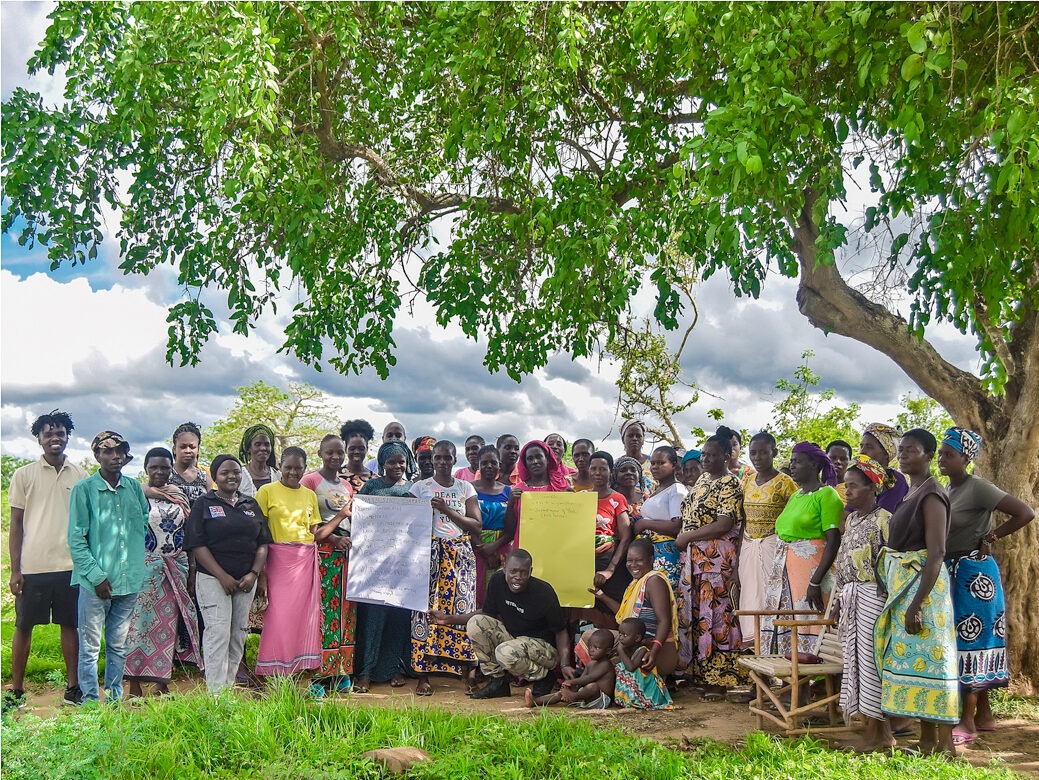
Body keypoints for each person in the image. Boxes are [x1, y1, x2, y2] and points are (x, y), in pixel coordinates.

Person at [938, 427, 1034, 745]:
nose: (942, 458)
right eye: (940, 452)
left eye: (948, 454)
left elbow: (1025, 512)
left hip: (974, 576)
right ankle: (984, 713)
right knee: (961, 639)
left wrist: (992, 536)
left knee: (972, 641)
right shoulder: (947, 490)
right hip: (952, 572)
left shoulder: (978, 487)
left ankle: (968, 721)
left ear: (966, 458)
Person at [875, 428, 959, 756]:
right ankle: (926, 742)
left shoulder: (932, 494)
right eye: (902, 449)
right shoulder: (912, 492)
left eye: (912, 450)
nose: (904, 454)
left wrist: (917, 603)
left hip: (925, 590)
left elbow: (936, 552)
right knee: (917, 664)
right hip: (907, 587)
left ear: (928, 455)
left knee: (936, 664)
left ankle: (947, 745)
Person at [6, 410, 88, 710]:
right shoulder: (23, 475)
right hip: (33, 567)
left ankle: (73, 688)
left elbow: (88, 521)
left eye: (60, 432)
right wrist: (15, 569)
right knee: (24, 626)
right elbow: (15, 524)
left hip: (70, 566)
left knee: (70, 626)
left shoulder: (80, 474)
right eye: (48, 433)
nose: (55, 437)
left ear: (68, 436)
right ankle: (16, 689)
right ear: (39, 438)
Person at [68, 431, 150, 703]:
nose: (115, 456)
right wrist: (96, 576)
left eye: (120, 451)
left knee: (118, 644)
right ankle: (91, 701)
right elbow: (76, 538)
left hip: (128, 582)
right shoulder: (84, 489)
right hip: (96, 584)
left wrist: (135, 568)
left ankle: (114, 698)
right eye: (108, 451)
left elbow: (142, 523)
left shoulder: (134, 487)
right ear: (97, 456)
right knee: (90, 646)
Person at [432, 549, 570, 701]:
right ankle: (497, 682)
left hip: (544, 649)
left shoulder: (544, 592)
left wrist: (564, 665)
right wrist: (448, 619)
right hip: (513, 640)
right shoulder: (497, 581)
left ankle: (543, 678)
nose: (518, 577)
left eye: (524, 572)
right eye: (513, 571)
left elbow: (561, 631)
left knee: (505, 652)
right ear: (504, 568)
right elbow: (486, 613)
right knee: (476, 623)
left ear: (531, 571)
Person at [185, 455, 272, 693]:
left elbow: (263, 543)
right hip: (214, 580)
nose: (231, 476)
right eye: (225, 472)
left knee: (238, 634)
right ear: (215, 476)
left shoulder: (250, 504)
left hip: (246, 581)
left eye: (235, 471)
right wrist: (221, 576)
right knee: (217, 632)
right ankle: (216, 696)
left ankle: (228, 686)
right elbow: (197, 545)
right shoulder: (204, 504)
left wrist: (254, 574)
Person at [124, 447, 203, 698]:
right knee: (139, 626)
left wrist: (190, 570)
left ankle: (161, 683)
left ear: (171, 469)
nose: (159, 471)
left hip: (175, 567)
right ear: (146, 469)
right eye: (154, 467)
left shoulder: (178, 495)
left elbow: (189, 534)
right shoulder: (136, 495)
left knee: (168, 625)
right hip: (145, 569)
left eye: (164, 467)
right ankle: (134, 686)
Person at [675, 434, 747, 700]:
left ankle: (721, 679)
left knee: (717, 617)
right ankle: (702, 674)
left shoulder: (731, 483)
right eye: (703, 454)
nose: (705, 459)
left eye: (711, 455)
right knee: (697, 616)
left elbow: (724, 523)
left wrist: (687, 537)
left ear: (727, 456)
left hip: (716, 559)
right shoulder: (704, 480)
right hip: (695, 559)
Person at [409, 440, 481, 695]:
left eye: (446, 458)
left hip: (460, 555)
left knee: (463, 607)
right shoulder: (420, 488)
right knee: (425, 610)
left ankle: (469, 671)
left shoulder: (465, 487)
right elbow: (407, 524)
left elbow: (476, 525)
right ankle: (423, 675)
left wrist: (446, 509)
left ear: (454, 460)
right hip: (428, 554)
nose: (440, 462)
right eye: (436, 457)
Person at [833, 455, 893, 752]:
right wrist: (838, 602)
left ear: (873, 488)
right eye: (846, 486)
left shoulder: (884, 520)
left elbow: (892, 566)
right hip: (851, 599)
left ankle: (881, 735)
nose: (848, 492)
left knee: (872, 666)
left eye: (854, 486)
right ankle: (869, 729)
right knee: (854, 665)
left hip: (873, 599)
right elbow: (843, 563)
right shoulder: (853, 519)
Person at [761, 442, 843, 655]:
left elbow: (833, 540)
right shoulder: (796, 496)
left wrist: (815, 580)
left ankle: (816, 682)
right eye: (792, 461)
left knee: (810, 621)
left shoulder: (827, 494)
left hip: (812, 571)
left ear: (814, 464)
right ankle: (793, 680)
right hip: (785, 570)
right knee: (789, 620)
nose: (792, 466)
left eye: (798, 461)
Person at [353, 441, 417, 692]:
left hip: (403, 566)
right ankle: (366, 672)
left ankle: (394, 669)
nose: (397, 466)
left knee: (398, 618)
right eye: (391, 462)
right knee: (373, 617)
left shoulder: (412, 489)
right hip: (375, 564)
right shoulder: (372, 486)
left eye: (401, 462)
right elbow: (362, 520)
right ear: (382, 463)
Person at [254, 447, 322, 679]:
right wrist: (261, 571)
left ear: (305, 468)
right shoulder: (266, 491)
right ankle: (270, 671)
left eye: (298, 468)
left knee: (301, 618)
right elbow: (258, 530)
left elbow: (314, 531)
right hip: (277, 560)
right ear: (280, 466)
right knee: (277, 617)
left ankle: (294, 669)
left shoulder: (309, 494)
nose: (293, 472)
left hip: (305, 560)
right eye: (288, 467)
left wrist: (343, 516)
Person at [300, 435, 356, 698]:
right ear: (320, 453)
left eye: (339, 453)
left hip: (347, 556)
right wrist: (334, 538)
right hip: (323, 553)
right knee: (323, 614)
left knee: (346, 614)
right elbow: (308, 523)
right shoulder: (310, 481)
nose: (335, 457)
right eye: (330, 453)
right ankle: (317, 675)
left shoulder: (346, 485)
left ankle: (340, 672)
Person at [738, 432, 798, 644]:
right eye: (753, 453)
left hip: (774, 546)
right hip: (748, 546)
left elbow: (794, 518)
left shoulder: (786, 483)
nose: (757, 457)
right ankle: (752, 645)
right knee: (750, 594)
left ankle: (771, 644)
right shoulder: (747, 481)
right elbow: (743, 520)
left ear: (774, 452)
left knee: (771, 596)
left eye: (763, 452)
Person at [590, 538, 679, 677]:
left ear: (650, 560)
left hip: (652, 651)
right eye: (629, 560)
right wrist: (601, 595)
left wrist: (654, 651)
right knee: (593, 639)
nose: (633, 565)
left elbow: (664, 621)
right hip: (636, 645)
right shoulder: (636, 583)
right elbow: (624, 614)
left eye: (638, 560)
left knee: (595, 642)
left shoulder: (654, 581)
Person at [582, 451, 633, 628]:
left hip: (609, 562)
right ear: (588, 470)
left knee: (613, 610)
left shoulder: (617, 499)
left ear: (610, 471)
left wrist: (610, 570)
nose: (597, 473)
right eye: (593, 468)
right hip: (582, 563)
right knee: (584, 610)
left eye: (602, 469)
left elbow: (626, 537)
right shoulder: (581, 498)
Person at [631, 446, 687, 590]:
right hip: (652, 553)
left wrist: (644, 523)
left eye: (661, 463)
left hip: (666, 554)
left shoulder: (676, 490)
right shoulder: (659, 490)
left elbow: (676, 526)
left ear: (674, 465)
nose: (655, 467)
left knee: (663, 595)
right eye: (653, 463)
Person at [526, 628, 614, 709]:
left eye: (596, 647)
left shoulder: (606, 664)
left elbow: (589, 678)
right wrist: (570, 688)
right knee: (562, 693)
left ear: (608, 651)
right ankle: (534, 702)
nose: (591, 650)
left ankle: (573, 697)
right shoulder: (591, 664)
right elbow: (582, 679)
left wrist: (571, 682)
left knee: (593, 686)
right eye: (590, 646)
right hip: (586, 697)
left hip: (601, 700)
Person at [469, 445, 512, 607]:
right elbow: (463, 522)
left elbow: (511, 528)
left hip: (502, 549)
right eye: (484, 462)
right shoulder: (468, 488)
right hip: (474, 548)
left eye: (493, 462)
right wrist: (484, 550)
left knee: (501, 595)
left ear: (499, 465)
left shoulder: (508, 492)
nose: (489, 466)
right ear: (478, 465)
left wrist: (493, 548)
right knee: (475, 593)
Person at [613, 617, 675, 710]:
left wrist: (620, 650)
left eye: (625, 635)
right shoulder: (627, 648)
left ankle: (637, 700)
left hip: (645, 689)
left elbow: (631, 667)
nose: (620, 638)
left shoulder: (642, 650)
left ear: (637, 638)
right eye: (620, 634)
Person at [860, 423, 909, 513]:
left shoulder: (893, 479)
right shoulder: (862, 478)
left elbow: (880, 520)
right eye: (861, 446)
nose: (862, 452)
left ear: (886, 453)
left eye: (869, 447)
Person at [165, 422, 211, 505]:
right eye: (183, 447)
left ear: (198, 449)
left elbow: (212, 504)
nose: (188, 451)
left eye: (192, 447)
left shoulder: (205, 477)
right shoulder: (165, 474)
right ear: (174, 449)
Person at [237, 424, 280, 497]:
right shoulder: (239, 475)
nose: (263, 448)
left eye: (267, 444)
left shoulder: (277, 476)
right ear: (248, 448)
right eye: (257, 444)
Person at [341, 419, 377, 492]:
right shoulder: (334, 477)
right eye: (352, 448)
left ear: (367, 449)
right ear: (345, 449)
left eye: (361, 448)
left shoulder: (376, 480)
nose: (356, 452)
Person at [619, 419, 654, 493]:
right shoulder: (616, 465)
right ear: (623, 439)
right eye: (630, 436)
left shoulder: (654, 463)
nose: (634, 439)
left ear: (643, 439)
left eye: (638, 436)